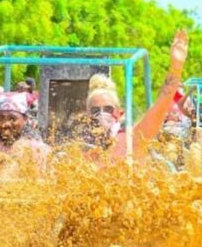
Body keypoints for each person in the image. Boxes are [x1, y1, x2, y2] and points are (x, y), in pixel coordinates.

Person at [79, 29, 189, 163]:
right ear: (87, 116)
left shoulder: (132, 139)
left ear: (119, 113)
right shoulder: (79, 149)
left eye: (108, 109)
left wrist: (176, 67)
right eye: (95, 110)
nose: (102, 115)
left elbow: (160, 107)